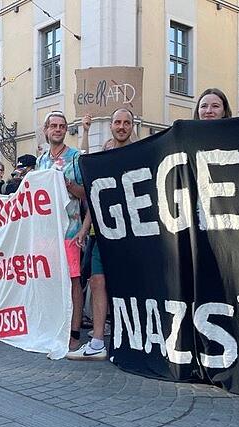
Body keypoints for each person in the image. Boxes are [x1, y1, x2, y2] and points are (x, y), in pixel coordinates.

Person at [70, 108, 135, 361]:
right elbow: (96, 199)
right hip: (102, 232)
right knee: (97, 282)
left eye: (126, 122)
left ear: (132, 126)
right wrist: (84, 230)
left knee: (126, 284)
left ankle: (130, 338)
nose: (121, 126)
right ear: (111, 126)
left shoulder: (139, 154)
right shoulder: (104, 160)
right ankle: (97, 341)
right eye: (117, 122)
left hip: (132, 233)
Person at [36, 111, 86, 351]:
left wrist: (67, 185)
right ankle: (54, 327)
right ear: (46, 130)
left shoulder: (75, 157)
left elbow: (86, 193)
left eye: (62, 126)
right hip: (47, 234)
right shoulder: (41, 161)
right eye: (53, 126)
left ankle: (74, 332)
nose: (58, 129)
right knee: (51, 281)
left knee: (74, 281)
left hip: (70, 231)